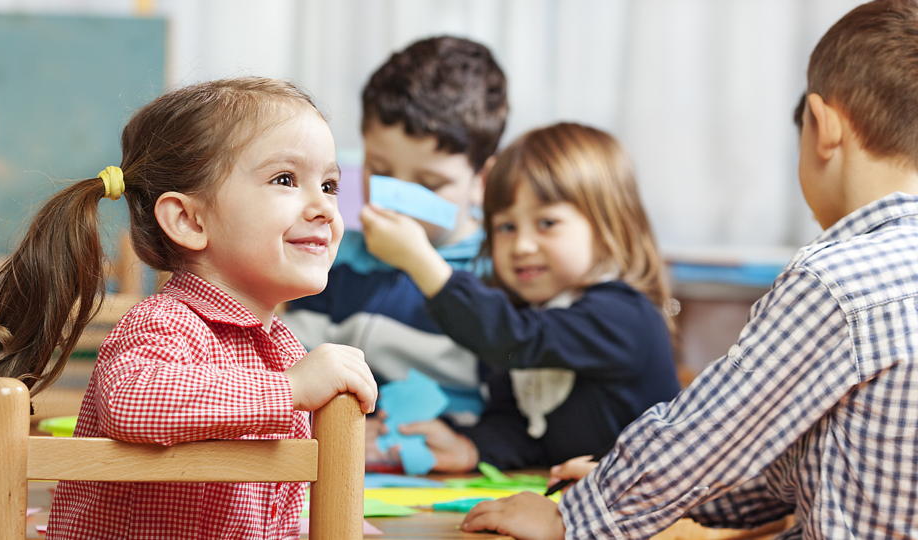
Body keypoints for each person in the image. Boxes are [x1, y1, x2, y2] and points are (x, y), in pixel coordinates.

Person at [461, 1, 918, 537]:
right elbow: (798, 470)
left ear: (822, 126)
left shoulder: (840, 283)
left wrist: (577, 513)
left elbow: (712, 432)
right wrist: (627, 487)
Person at [0, 77, 377, 539]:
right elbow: (133, 402)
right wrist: (290, 389)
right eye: (285, 179)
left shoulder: (280, 346)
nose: (324, 207)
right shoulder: (165, 324)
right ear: (189, 220)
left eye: (330, 184)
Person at [361, 122, 681, 473]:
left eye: (547, 223)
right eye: (506, 227)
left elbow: (515, 336)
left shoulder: (624, 315)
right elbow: (523, 430)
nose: (522, 247)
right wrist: (470, 448)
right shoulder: (527, 313)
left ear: (608, 228)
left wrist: (420, 261)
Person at [283, 36, 509, 431]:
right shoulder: (336, 259)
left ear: (482, 181)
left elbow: (519, 405)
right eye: (382, 173)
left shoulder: (501, 273)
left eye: (430, 184)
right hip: (346, 462)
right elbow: (294, 368)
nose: (398, 201)